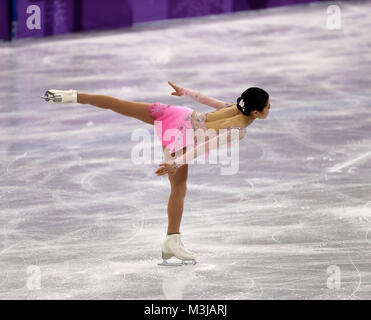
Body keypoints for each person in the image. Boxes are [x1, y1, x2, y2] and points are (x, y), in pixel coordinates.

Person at [41, 81, 270, 266]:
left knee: (120, 104)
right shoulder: (239, 130)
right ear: (256, 112)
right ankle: (172, 240)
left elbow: (208, 100)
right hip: (181, 134)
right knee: (179, 188)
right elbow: (205, 146)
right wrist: (176, 163)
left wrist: (185, 92)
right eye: (268, 106)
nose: (270, 109)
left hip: (177, 113)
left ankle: (70, 96)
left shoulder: (233, 106)